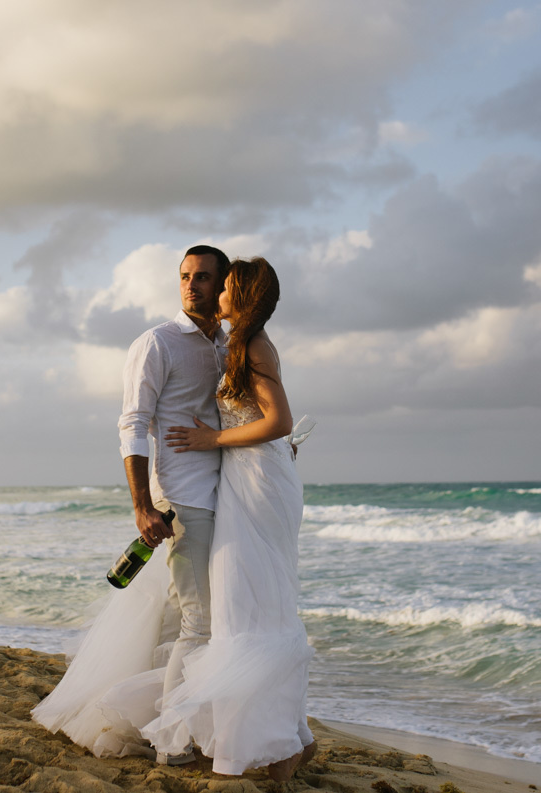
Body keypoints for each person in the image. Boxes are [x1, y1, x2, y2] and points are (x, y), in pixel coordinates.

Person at [32, 245, 230, 763]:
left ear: (224, 284)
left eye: (204, 277)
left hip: (223, 495)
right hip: (181, 497)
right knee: (197, 621)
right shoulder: (157, 342)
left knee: (188, 617)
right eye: (185, 277)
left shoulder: (228, 344)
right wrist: (142, 506)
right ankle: (172, 742)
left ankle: (173, 721)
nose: (192, 286)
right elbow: (132, 424)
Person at [145, 257, 315, 779]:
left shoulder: (253, 344)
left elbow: (278, 420)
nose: (209, 291)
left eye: (221, 285)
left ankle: (271, 739)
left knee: (251, 604)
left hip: (257, 483)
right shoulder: (237, 341)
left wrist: (211, 438)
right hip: (246, 479)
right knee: (248, 603)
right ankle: (279, 736)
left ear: (236, 293)